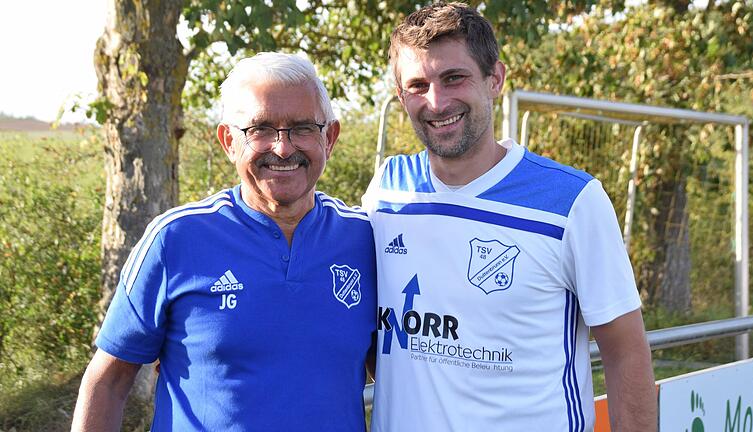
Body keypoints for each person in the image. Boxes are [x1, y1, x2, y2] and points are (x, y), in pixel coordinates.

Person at [362, 2, 657, 431]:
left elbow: (626, 352)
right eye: (417, 85)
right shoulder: (387, 190)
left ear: (495, 78)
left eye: (453, 78)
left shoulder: (573, 201)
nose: (437, 101)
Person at [72, 52, 376, 431]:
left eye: (302, 128)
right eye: (260, 129)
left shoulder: (367, 240)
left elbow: (402, 373)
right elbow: (108, 383)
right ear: (229, 141)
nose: (283, 148)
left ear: (329, 137)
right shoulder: (176, 239)